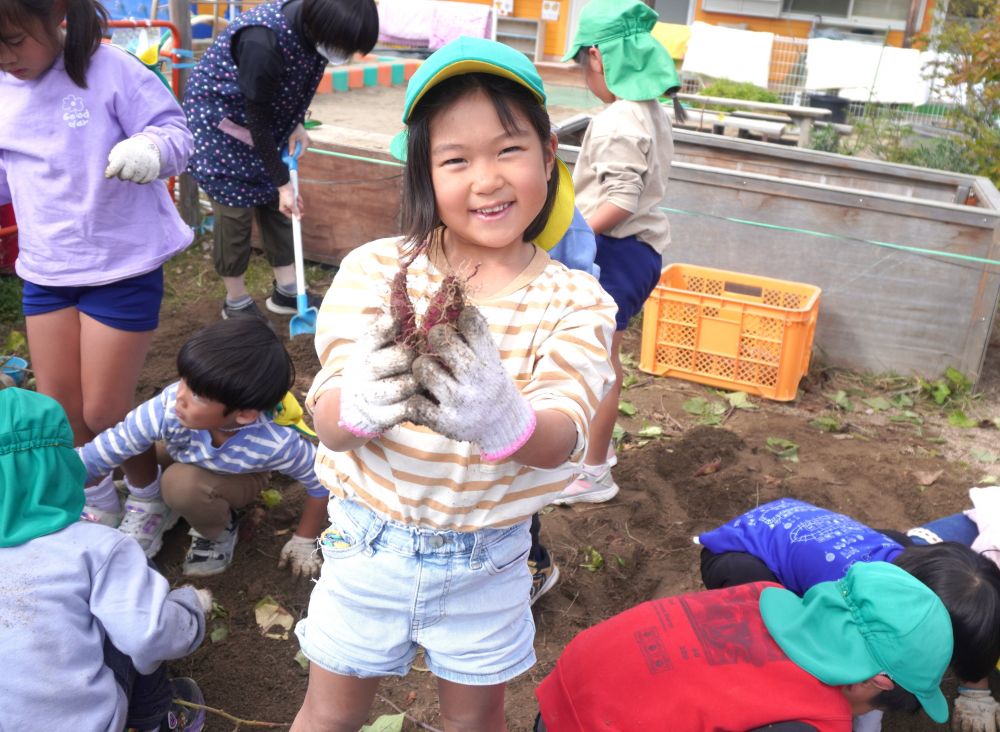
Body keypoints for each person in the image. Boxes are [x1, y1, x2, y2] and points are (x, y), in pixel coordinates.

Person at [292, 37, 617, 731]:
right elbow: (328, 422)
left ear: (548, 155)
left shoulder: (576, 301)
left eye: (508, 150)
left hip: (488, 562)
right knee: (328, 715)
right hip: (365, 546)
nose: (487, 179)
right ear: (423, 172)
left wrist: (506, 420)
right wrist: (360, 405)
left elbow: (561, 438)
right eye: (455, 160)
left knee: (474, 722)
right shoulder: (374, 271)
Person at [0, 0, 194, 514]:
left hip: (119, 265)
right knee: (62, 411)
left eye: (13, 40)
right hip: (46, 269)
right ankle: (98, 501)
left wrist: (150, 150)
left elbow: (175, 134)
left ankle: (149, 499)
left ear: (55, 12)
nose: (4, 57)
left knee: (106, 411)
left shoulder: (110, 69)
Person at [0, 387, 210, 732]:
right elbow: (147, 634)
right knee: (135, 602)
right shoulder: (94, 547)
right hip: (88, 723)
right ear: (62, 466)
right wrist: (190, 609)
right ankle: (155, 721)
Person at [697, 497, 1000, 732]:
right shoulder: (845, 595)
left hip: (800, 527)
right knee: (771, 630)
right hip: (738, 551)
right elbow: (840, 657)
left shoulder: (911, 565)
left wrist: (976, 689)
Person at [535, 562, 954, 731]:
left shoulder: (759, 593)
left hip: (561, 698)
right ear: (877, 682)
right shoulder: (814, 720)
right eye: (876, 709)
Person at [77, 317, 328, 578]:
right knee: (132, 449)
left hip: (238, 476)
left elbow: (321, 480)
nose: (180, 396)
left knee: (180, 485)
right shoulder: (171, 405)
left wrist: (304, 539)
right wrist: (63, 475)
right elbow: (113, 444)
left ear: (244, 414)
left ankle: (219, 530)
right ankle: (155, 503)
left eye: (197, 394)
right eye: (184, 380)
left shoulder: (275, 442)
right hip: (186, 451)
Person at [554, 0, 682, 505]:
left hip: (614, 250)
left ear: (597, 56)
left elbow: (621, 200)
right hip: (638, 251)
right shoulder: (647, 110)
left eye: (581, 64)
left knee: (599, 365)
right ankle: (594, 452)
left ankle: (592, 473)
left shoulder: (617, 121)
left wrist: (569, 238)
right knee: (600, 359)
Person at [183, 0, 378, 323]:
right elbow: (256, 118)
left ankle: (287, 292)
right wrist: (282, 183)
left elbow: (299, 83)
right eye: (343, 45)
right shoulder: (262, 41)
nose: (345, 54)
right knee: (235, 215)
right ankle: (235, 301)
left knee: (278, 208)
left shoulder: (313, 29)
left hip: (262, 124)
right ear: (321, 26)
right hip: (223, 126)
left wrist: (296, 122)